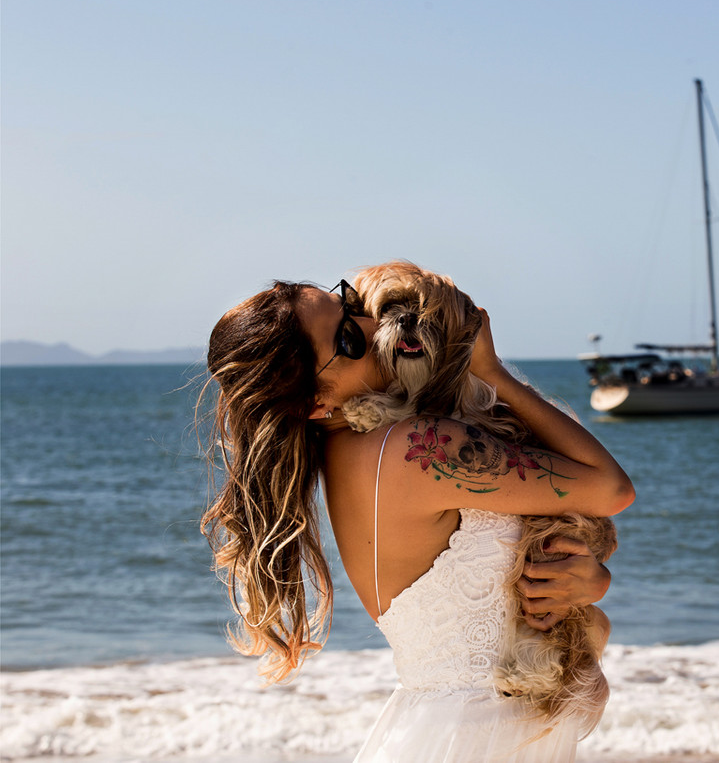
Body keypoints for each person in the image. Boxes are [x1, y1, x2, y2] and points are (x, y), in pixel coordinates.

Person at [202, 277, 634, 762]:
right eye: (349, 337)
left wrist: (585, 582)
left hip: (447, 726)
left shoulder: (349, 450)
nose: (372, 322)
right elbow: (611, 488)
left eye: (350, 303)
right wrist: (495, 375)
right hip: (482, 734)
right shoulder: (417, 449)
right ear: (314, 403)